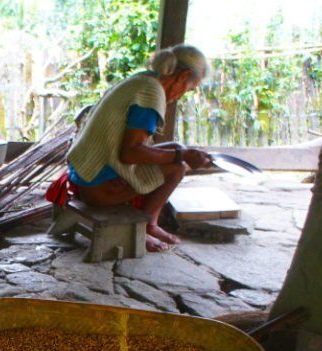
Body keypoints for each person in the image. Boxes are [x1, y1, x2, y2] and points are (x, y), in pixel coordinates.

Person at [47, 44, 213, 252]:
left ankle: (150, 225)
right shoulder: (151, 94)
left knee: (177, 149)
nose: (181, 96)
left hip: (82, 174)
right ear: (183, 76)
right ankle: (144, 227)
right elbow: (130, 153)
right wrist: (184, 155)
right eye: (188, 89)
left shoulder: (143, 79)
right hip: (96, 188)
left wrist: (181, 152)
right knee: (177, 167)